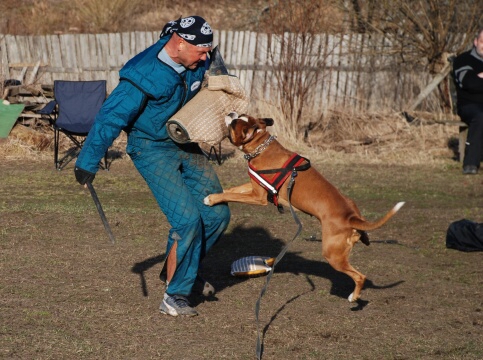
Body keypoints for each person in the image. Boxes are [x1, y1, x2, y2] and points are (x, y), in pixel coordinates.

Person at [74, 16, 230, 317]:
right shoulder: (144, 74)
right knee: (186, 221)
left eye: (209, 51)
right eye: (201, 51)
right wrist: (87, 162)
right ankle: (175, 296)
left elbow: (212, 74)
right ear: (180, 44)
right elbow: (111, 116)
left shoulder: (196, 59)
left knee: (217, 215)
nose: (206, 57)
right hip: (150, 148)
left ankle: (178, 267)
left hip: (184, 139)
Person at [453, 28, 483, 175]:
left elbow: (476, 83)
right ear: (476, 42)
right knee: (481, 116)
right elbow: (469, 84)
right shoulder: (463, 60)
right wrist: (476, 80)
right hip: (469, 106)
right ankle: (471, 163)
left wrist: (480, 77)